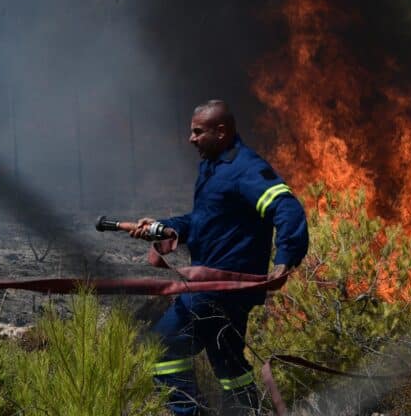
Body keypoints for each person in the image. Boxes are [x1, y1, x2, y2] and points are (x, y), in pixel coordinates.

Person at [130, 100, 309, 415]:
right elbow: (205, 222)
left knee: (162, 348)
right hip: (218, 289)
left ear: (221, 131)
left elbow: (287, 206)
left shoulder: (246, 169)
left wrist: (286, 256)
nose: (191, 138)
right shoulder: (214, 168)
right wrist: (164, 228)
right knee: (229, 365)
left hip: (220, 290)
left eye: (198, 132)